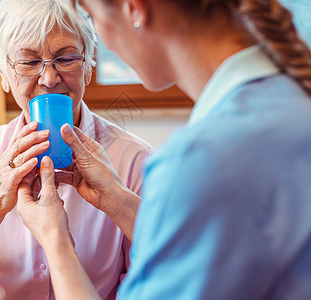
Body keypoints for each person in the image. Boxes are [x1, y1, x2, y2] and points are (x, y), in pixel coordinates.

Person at [16, 0, 311, 299]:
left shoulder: (201, 160)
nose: (103, 41)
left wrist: (56, 240)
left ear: (135, 9)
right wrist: (117, 200)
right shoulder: (290, 102)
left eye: (94, 18)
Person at [0, 0, 153, 299]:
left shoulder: (133, 160)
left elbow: (160, 283)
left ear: (88, 68)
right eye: (29, 62)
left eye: (66, 59)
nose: (50, 79)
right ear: (4, 75)